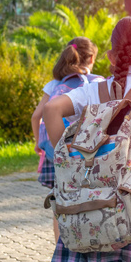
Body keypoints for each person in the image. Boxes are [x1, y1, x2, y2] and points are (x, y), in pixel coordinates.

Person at [42, 16, 131, 262]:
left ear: (111, 56)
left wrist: (68, 161)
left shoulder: (93, 90)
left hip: (93, 206)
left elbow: (51, 109)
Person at [31, 36, 103, 243]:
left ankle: (60, 247)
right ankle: (92, 241)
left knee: (61, 199)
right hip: (90, 152)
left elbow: (37, 116)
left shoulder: (54, 84)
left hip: (58, 152)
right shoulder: (97, 82)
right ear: (91, 59)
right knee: (92, 197)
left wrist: (39, 142)